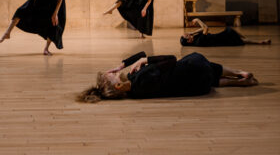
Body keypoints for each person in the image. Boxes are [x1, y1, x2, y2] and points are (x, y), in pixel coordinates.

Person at [77, 51, 258, 103]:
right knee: (191, 60)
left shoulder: (134, 91)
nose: (115, 73)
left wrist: (121, 65)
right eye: (113, 76)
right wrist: (146, 60)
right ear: (117, 86)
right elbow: (171, 59)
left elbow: (140, 54)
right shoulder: (141, 77)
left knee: (204, 80)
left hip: (197, 89)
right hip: (196, 70)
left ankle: (240, 83)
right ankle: (239, 74)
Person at [180, 18, 271, 46]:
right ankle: (259, 42)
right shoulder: (198, 42)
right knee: (237, 37)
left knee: (234, 33)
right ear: (189, 41)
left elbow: (202, 29)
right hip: (221, 40)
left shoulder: (195, 38)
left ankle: (258, 42)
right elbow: (206, 28)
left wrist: (192, 33)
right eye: (187, 35)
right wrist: (198, 20)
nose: (188, 34)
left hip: (220, 37)